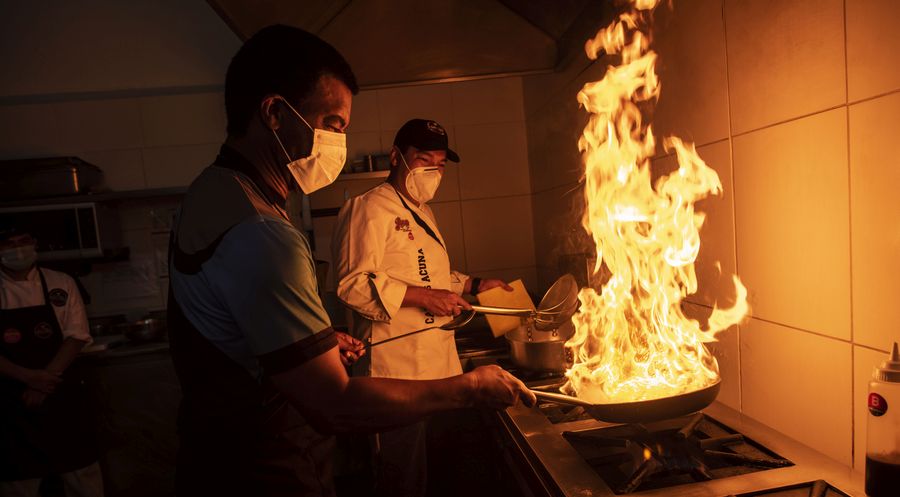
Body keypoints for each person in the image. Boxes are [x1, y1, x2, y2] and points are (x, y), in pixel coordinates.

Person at [166, 25, 534, 497]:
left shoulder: (213, 192)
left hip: (221, 455)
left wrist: (317, 341)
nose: (338, 142)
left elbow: (239, 325)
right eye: (333, 124)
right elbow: (334, 403)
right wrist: (469, 389)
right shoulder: (263, 232)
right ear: (276, 113)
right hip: (265, 466)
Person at [332, 119, 514, 496]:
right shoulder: (367, 208)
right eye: (424, 159)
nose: (433, 171)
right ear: (397, 157)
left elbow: (432, 275)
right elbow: (351, 285)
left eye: (441, 163)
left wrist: (477, 285)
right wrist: (424, 298)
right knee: (402, 479)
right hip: (395, 377)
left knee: (440, 478)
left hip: (439, 371)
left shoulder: (423, 211)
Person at [0, 227, 104, 497]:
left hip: (61, 396)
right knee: (18, 483)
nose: (17, 248)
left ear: (34, 243)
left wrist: (43, 381)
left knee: (83, 477)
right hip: (12, 404)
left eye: (23, 241)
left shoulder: (61, 282)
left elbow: (77, 336)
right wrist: (27, 377)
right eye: (8, 243)